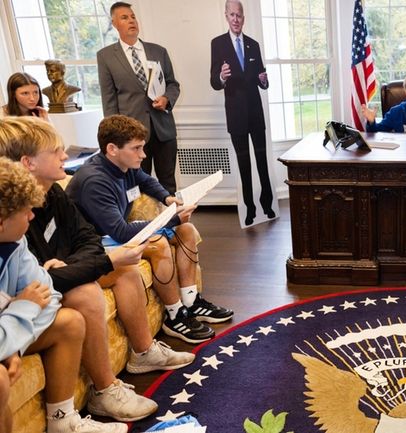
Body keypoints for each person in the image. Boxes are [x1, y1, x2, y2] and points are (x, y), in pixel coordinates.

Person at [0, 117, 196, 421]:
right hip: (51, 285)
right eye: (56, 151)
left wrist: (78, 263)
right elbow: (43, 281)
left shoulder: (52, 192)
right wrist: (90, 264)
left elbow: (86, 237)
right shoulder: (14, 215)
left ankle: (143, 353)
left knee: (126, 270)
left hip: (64, 271)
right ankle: (105, 391)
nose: (66, 156)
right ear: (29, 163)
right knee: (88, 291)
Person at [66, 115, 234, 344]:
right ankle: (174, 316)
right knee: (158, 244)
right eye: (136, 149)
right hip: (97, 241)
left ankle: (191, 301)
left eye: (142, 148)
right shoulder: (94, 181)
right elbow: (121, 233)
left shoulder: (123, 164)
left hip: (114, 231)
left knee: (186, 230)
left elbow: (146, 181)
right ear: (112, 149)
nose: (143, 155)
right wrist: (172, 219)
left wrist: (167, 199)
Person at [0, 157, 126, 433]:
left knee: (69, 322)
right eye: (25, 212)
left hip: (6, 333)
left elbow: (47, 295)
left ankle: (63, 421)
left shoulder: (15, 242)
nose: (32, 216)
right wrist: (20, 310)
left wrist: (13, 344)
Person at [97, 1, 180, 193]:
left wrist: (167, 99)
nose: (131, 20)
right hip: (131, 135)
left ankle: (172, 221)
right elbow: (109, 99)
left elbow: (173, 84)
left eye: (133, 16)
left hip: (163, 129)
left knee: (167, 182)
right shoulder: (106, 56)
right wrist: (116, 137)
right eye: (124, 17)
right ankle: (143, 223)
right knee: (136, 186)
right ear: (115, 23)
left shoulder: (158, 51)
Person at [210, 0, 276, 225]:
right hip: (236, 117)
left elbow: (262, 80)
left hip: (256, 115)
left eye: (239, 15)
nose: (236, 19)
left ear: (243, 18)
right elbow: (214, 82)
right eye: (232, 15)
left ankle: (267, 206)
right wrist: (221, 77)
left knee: (262, 163)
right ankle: (249, 209)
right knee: (244, 165)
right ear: (226, 16)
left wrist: (264, 81)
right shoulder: (217, 44)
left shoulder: (253, 45)